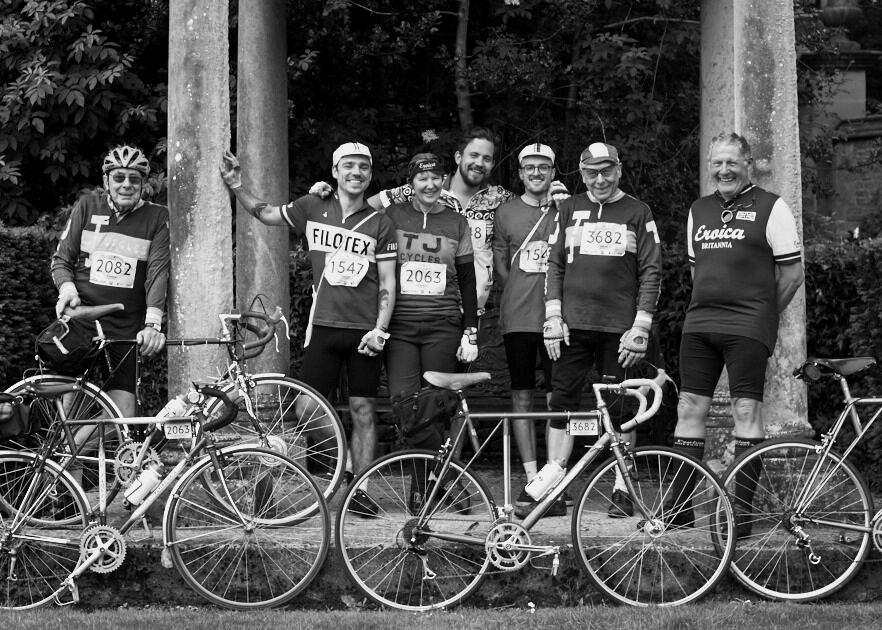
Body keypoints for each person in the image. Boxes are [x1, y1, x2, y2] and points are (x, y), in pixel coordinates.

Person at [220, 142, 398, 518]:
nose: (356, 173)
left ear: (370, 174)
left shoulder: (381, 222)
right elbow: (266, 213)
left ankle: (359, 489)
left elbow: (387, 281)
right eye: (348, 166)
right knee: (306, 409)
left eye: (363, 167)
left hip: (364, 330)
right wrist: (237, 184)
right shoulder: (312, 207)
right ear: (334, 172)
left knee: (363, 409)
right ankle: (344, 470)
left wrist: (381, 329)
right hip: (323, 326)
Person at [669, 132, 803, 531]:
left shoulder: (772, 207)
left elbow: (792, 275)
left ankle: (739, 515)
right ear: (709, 166)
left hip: (748, 323)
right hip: (700, 322)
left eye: (731, 162)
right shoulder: (699, 209)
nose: (723, 170)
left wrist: (762, 314)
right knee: (689, 407)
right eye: (717, 163)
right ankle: (678, 511)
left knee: (746, 409)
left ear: (748, 164)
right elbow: (697, 271)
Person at [533, 141, 662, 519]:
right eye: (592, 172)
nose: (600, 179)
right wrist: (552, 318)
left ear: (619, 170)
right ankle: (555, 487)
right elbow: (553, 265)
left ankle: (623, 488)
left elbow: (652, 270)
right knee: (562, 402)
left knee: (622, 407)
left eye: (607, 170)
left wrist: (641, 326)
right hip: (571, 327)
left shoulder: (639, 211)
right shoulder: (569, 208)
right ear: (581, 173)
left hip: (619, 329)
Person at [381, 152, 479, 514]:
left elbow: (468, 281)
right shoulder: (392, 216)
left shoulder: (457, 222)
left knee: (437, 409)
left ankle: (429, 486)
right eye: (423, 178)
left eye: (437, 177)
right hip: (401, 328)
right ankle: (432, 480)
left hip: (442, 326)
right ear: (411, 183)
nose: (431, 184)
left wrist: (472, 329)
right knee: (407, 408)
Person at [52, 144, 170, 417]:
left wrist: (152, 324)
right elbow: (61, 260)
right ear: (106, 181)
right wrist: (66, 289)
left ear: (143, 184)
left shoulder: (156, 217)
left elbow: (157, 273)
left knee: (123, 414)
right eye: (119, 178)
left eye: (134, 179)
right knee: (68, 410)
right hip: (81, 322)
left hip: (123, 329)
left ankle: (70, 454)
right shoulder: (87, 206)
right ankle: (60, 456)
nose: (126, 185)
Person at [491, 143, 562, 513]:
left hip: (557, 318)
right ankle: (533, 477)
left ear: (553, 171)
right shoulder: (505, 212)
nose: (537, 173)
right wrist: (520, 287)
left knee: (556, 398)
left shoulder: (566, 207)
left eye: (543, 167)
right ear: (520, 173)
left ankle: (555, 478)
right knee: (521, 394)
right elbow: (500, 267)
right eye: (529, 168)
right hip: (518, 316)